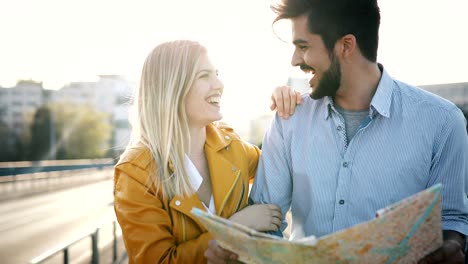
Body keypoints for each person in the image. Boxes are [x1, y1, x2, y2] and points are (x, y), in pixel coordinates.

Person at [205, 0, 468, 263]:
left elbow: (452, 219)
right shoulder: (288, 121)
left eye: (303, 46)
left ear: (346, 46)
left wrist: (451, 244)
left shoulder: (443, 122)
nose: (295, 59)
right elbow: (266, 221)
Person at [113, 40, 302, 263]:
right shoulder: (136, 171)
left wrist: (284, 99)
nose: (219, 84)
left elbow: (282, 168)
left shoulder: (232, 146)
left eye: (217, 73)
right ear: (172, 87)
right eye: (204, 76)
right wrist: (236, 228)